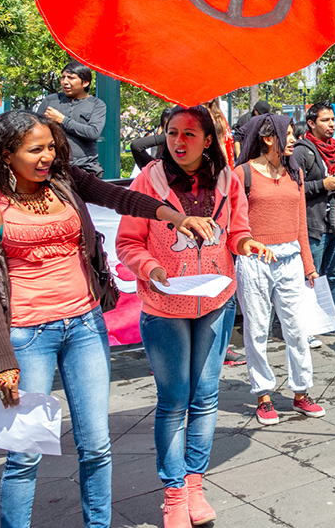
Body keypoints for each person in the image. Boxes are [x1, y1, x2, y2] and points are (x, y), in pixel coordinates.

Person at [0, 111, 216, 528]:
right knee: (25, 454)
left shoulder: (65, 181)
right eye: (36, 150)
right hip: (27, 336)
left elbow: (122, 198)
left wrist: (175, 217)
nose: (48, 156)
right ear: (4, 154)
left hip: (85, 327)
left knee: (96, 446)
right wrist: (3, 360)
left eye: (51, 146)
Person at [116, 105, 274, 528]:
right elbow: (129, 243)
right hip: (164, 307)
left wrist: (248, 246)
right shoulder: (147, 180)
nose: (178, 142)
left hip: (216, 303)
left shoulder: (228, 181)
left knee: (205, 398)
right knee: (173, 402)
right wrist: (151, 269)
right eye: (171, 132)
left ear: (209, 140)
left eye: (189, 133)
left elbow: (236, 233)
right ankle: (173, 494)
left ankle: (194, 484)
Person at [233, 113, 326, 426]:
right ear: (268, 138)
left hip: (291, 260)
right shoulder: (241, 174)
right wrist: (246, 247)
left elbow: (300, 222)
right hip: (254, 261)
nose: (294, 139)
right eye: (288, 133)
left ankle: (301, 393)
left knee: (298, 329)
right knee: (257, 329)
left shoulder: (294, 174)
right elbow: (234, 223)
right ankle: (264, 395)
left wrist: (309, 267)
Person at [291, 102, 335, 341]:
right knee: (311, 275)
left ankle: (332, 321)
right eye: (325, 120)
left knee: (333, 275)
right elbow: (293, 188)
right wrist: (323, 185)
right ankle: (306, 327)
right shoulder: (302, 151)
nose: (331, 124)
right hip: (314, 225)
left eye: (333, 119)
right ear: (311, 123)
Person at [37, 61, 107, 177]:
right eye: (63, 77)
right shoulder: (50, 101)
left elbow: (93, 133)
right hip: (55, 167)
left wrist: (63, 120)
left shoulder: (97, 104)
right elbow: (36, 129)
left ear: (85, 82)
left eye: (71, 78)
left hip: (86, 168)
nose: (65, 82)